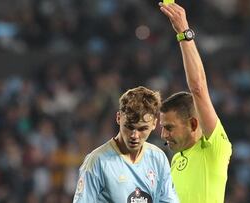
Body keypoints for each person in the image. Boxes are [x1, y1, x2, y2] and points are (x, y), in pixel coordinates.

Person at [158, 2, 232, 203]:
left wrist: (184, 34)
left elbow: (198, 89)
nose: (163, 135)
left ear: (193, 123)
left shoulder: (215, 149)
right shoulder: (176, 160)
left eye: (169, 128)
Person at [72, 86, 179, 203]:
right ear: (118, 118)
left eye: (142, 129)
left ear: (154, 124)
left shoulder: (158, 158)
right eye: (129, 127)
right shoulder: (97, 162)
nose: (134, 135)